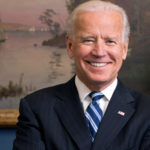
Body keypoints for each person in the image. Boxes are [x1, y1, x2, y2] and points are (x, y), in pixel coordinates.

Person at [13, 1, 150, 150]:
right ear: (70, 46)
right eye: (88, 40)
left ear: (124, 49)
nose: (99, 52)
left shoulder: (146, 111)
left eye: (110, 41)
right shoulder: (36, 108)